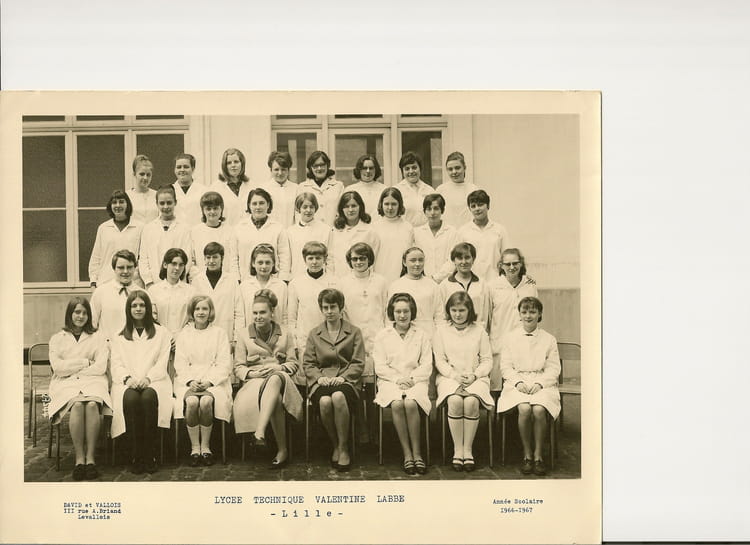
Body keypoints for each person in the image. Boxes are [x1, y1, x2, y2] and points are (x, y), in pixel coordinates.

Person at [233, 289, 303, 468]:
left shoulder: (285, 333)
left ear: (272, 312)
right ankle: (282, 450)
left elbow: (293, 363)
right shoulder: (243, 334)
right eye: (255, 313)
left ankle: (259, 431)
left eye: (263, 312)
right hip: (255, 382)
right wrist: (252, 374)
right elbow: (238, 367)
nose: (258, 317)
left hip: (283, 380)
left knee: (275, 379)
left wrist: (278, 367)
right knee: (276, 399)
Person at [48, 297, 112, 480]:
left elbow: (100, 367)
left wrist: (72, 367)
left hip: (94, 380)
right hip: (66, 383)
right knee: (77, 405)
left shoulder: (98, 337)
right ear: (70, 314)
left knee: (91, 405)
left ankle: (90, 458)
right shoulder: (57, 339)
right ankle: (79, 459)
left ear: (89, 316)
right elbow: (58, 368)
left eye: (84, 313)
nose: (81, 316)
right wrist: (85, 362)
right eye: (77, 312)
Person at [110, 290, 172, 474]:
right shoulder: (118, 335)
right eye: (134, 305)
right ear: (128, 309)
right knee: (130, 399)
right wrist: (127, 379)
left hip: (155, 381)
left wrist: (148, 378)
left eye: (142, 305)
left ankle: (150, 453)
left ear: (148, 308)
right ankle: (136, 455)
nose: (138, 309)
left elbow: (162, 362)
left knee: (148, 397)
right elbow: (116, 364)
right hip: (127, 382)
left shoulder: (162, 333)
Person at [497, 297, 561, 476]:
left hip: (542, 382)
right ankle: (527, 454)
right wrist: (518, 382)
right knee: (524, 408)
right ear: (519, 314)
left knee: (539, 410)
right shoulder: (510, 338)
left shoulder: (548, 339)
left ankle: (538, 455)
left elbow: (553, 367)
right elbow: (506, 366)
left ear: (540, 314)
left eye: (532, 312)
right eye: (524, 312)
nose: (528, 316)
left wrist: (541, 383)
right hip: (517, 382)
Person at [303, 288, 365, 472]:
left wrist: (343, 378)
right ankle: (335, 444)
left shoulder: (354, 332)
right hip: (322, 381)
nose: (329, 311)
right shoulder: (314, 334)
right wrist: (319, 378)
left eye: (333, 307)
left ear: (341, 308)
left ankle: (344, 447)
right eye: (325, 307)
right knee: (324, 401)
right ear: (321, 309)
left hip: (347, 381)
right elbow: (308, 363)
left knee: (338, 397)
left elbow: (358, 362)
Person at [432, 291, 493, 472]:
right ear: (448, 311)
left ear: (469, 310)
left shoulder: (479, 330)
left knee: (472, 402)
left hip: (476, 377)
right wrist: (454, 375)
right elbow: (440, 360)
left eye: (462, 310)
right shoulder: (441, 332)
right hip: (449, 377)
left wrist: (475, 375)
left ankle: (468, 450)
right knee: (455, 401)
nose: (457, 314)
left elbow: (487, 360)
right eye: (454, 310)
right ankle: (458, 450)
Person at [373, 293, 432, 475]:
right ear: (392, 313)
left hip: (416, 381)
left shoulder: (421, 335)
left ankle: (417, 452)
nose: (402, 315)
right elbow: (380, 366)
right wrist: (397, 379)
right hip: (390, 381)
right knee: (398, 404)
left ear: (412, 312)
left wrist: (412, 379)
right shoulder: (383, 336)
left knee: (411, 403)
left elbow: (427, 364)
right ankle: (407, 453)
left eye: (406, 311)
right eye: (398, 311)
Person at [173, 295, 233, 466]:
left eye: (205, 308)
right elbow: (180, 363)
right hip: (188, 380)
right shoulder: (184, 334)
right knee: (192, 402)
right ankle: (195, 448)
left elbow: (224, 363)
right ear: (192, 312)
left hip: (214, 381)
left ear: (210, 311)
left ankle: (205, 448)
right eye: (197, 309)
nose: (201, 312)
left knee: (206, 402)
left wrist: (209, 382)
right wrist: (190, 381)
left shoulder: (219, 333)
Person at [337, 242, 388, 442]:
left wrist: (385, 337)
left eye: (363, 258)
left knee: (374, 387)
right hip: (353, 341)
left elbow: (386, 310)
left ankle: (376, 431)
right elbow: (343, 314)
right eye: (355, 259)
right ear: (350, 261)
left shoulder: (381, 281)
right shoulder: (343, 283)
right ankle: (360, 430)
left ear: (369, 259)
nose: (359, 262)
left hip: (378, 339)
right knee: (356, 386)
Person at [487, 248, 538, 392]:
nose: (511, 267)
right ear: (501, 265)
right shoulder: (492, 286)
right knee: (497, 387)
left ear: (521, 263)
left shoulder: (530, 285)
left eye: (515, 263)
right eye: (507, 264)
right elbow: (487, 316)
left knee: (520, 385)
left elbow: (535, 314)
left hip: (523, 342)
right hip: (499, 342)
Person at [287, 241, 338, 362]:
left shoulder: (335, 281)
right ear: (305, 259)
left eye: (318, 258)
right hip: (305, 339)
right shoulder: (296, 283)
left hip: (330, 338)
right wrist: (294, 343)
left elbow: (340, 313)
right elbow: (291, 318)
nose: (314, 262)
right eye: (310, 258)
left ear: (324, 259)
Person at [190, 242, 244, 345]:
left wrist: (236, 339)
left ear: (222, 258)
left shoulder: (232, 280)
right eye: (208, 257)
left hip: (227, 333)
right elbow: (193, 311)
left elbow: (239, 312)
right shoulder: (197, 281)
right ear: (204, 259)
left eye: (215, 257)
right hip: (203, 336)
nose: (211, 261)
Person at [138, 185, 191, 288]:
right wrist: (149, 282)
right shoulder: (148, 229)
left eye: (169, 203)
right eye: (162, 203)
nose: (166, 207)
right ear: (156, 204)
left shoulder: (184, 228)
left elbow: (187, 258)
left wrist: (176, 278)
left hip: (178, 284)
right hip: (154, 284)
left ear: (175, 202)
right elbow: (143, 259)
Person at [234, 187, 291, 282]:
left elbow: (284, 256)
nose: (258, 207)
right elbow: (234, 258)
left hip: (272, 281)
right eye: (254, 203)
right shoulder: (239, 228)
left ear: (268, 205)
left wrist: (282, 280)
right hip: (246, 281)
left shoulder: (278, 228)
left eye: (261, 203)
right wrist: (237, 280)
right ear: (249, 205)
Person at [88, 190, 142, 288]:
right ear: (110, 205)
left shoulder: (140, 227)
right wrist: (93, 282)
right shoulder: (103, 228)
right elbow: (96, 257)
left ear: (127, 204)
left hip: (132, 283)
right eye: (114, 202)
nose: (118, 205)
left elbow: (143, 257)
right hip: (106, 281)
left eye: (121, 202)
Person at [456, 189, 510, 282]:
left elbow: (508, 258)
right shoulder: (463, 231)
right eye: (473, 206)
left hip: (495, 281)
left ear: (488, 206)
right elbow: (456, 259)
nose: (477, 209)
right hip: (471, 282)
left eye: (480, 205)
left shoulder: (500, 230)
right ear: (470, 209)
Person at [327, 191, 380, 277]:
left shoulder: (370, 231)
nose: (350, 210)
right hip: (338, 279)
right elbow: (330, 259)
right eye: (346, 206)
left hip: (362, 279)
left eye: (354, 206)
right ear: (341, 209)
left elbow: (373, 261)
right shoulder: (334, 231)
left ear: (360, 207)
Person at [437, 242, 491, 327]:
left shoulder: (482, 284)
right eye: (459, 258)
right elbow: (442, 316)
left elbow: (485, 314)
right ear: (454, 260)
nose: (464, 262)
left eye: (467, 257)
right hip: (452, 332)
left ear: (473, 259)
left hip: (477, 331)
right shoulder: (444, 285)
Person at [189, 191, 239, 278]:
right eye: (208, 209)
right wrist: (198, 278)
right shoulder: (195, 231)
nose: (212, 212)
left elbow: (233, 259)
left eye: (215, 208)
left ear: (221, 209)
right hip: (202, 279)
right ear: (203, 210)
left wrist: (234, 280)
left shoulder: (230, 230)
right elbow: (192, 260)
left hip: (225, 279)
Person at [91, 249, 139, 341]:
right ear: (114, 269)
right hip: (107, 346)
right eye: (121, 268)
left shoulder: (142, 293)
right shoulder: (101, 292)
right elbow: (92, 324)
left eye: (129, 267)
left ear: (135, 268)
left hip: (132, 346)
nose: (125, 271)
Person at [147, 248, 195, 336]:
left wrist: (180, 336)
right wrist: (163, 335)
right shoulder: (153, 291)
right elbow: (151, 319)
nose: (177, 268)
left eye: (181, 265)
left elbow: (192, 320)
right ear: (165, 265)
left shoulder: (191, 291)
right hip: (159, 337)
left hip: (184, 338)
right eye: (174, 264)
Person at [414, 193, 459, 284]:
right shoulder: (417, 233)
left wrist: (436, 278)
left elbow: (453, 260)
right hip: (422, 281)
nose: (432, 213)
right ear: (424, 211)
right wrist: (425, 279)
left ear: (442, 210)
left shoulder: (452, 232)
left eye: (436, 208)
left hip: (447, 281)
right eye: (429, 209)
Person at [372, 187, 414, 284]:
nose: (390, 208)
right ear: (381, 204)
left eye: (394, 204)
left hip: (402, 277)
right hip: (380, 275)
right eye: (386, 204)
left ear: (400, 205)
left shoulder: (408, 227)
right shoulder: (374, 227)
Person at [239, 244, 288, 325]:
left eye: (268, 262)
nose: (264, 266)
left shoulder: (281, 286)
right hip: (250, 331)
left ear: (273, 264)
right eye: (260, 262)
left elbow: (284, 316)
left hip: (275, 331)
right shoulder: (244, 286)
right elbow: (241, 316)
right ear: (253, 263)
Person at [286, 192, 331, 279]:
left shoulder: (325, 229)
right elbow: (288, 258)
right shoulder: (290, 231)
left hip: (320, 278)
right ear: (299, 209)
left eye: (311, 207)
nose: (308, 210)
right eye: (305, 207)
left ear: (315, 208)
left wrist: (329, 278)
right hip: (297, 276)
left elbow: (330, 258)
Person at [296, 151, 343, 226]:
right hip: (310, 231)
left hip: (333, 229)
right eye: (315, 166)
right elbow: (298, 214)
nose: (319, 168)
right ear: (311, 168)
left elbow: (342, 212)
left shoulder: (338, 186)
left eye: (322, 165)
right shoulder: (302, 187)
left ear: (327, 165)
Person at [211, 148, 254, 227]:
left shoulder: (251, 185)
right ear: (224, 166)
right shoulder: (216, 187)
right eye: (229, 163)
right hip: (226, 230)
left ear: (242, 164)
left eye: (236, 162)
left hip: (248, 230)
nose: (233, 165)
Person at [436, 151, 479, 228]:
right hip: (447, 232)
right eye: (450, 169)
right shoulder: (441, 190)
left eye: (457, 168)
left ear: (464, 167)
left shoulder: (473, 189)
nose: (454, 172)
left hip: (468, 231)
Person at [396, 151, 433, 227]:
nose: (411, 171)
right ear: (402, 171)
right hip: (404, 231)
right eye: (407, 169)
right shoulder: (396, 190)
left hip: (425, 232)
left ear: (420, 168)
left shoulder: (430, 191)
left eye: (414, 167)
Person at [260, 151, 297, 227]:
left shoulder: (296, 189)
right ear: (271, 170)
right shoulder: (263, 189)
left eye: (283, 169)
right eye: (276, 169)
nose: (280, 173)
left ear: (288, 170)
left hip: (291, 232)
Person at [172, 153, 208, 228]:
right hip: (176, 232)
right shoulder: (169, 190)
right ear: (175, 170)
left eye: (186, 167)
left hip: (198, 231)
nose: (182, 170)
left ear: (193, 168)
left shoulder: (204, 191)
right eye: (179, 167)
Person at [348, 154, 384, 219]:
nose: (368, 171)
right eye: (364, 168)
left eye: (371, 168)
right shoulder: (350, 190)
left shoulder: (384, 189)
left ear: (376, 170)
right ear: (359, 170)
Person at [126, 154, 158, 225]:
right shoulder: (127, 196)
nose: (145, 178)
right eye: (142, 174)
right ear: (134, 174)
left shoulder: (157, 195)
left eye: (148, 175)